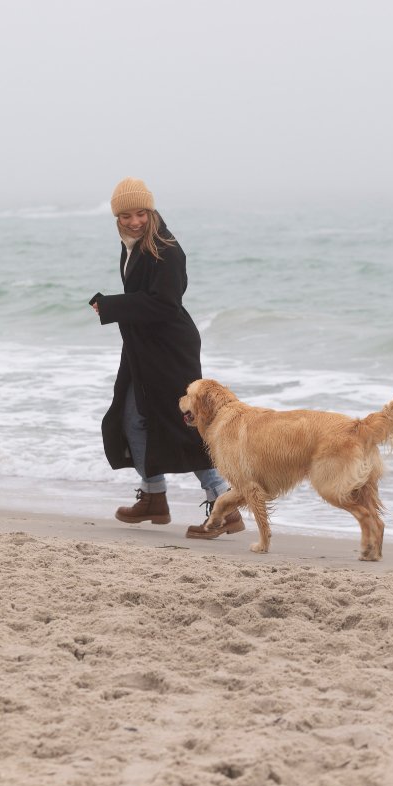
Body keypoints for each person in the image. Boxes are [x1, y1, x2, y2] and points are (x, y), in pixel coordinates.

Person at [89, 177, 245, 540]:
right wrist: (119, 310)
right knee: (132, 419)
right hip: (142, 348)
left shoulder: (167, 249)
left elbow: (165, 304)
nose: (134, 221)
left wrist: (112, 305)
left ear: (151, 211)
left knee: (184, 426)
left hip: (170, 351)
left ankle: (226, 506)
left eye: (141, 213)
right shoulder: (132, 245)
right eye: (126, 215)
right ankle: (154, 497)